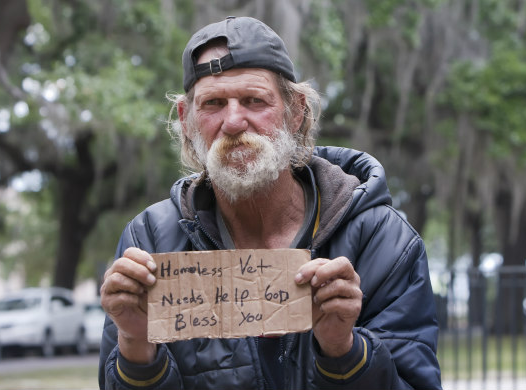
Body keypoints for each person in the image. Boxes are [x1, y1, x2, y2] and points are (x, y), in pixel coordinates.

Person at [99, 16, 441, 390]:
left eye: (253, 100)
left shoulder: (382, 241)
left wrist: (344, 351)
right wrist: (135, 346)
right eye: (213, 103)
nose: (233, 122)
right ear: (187, 120)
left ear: (296, 112)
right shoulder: (148, 241)